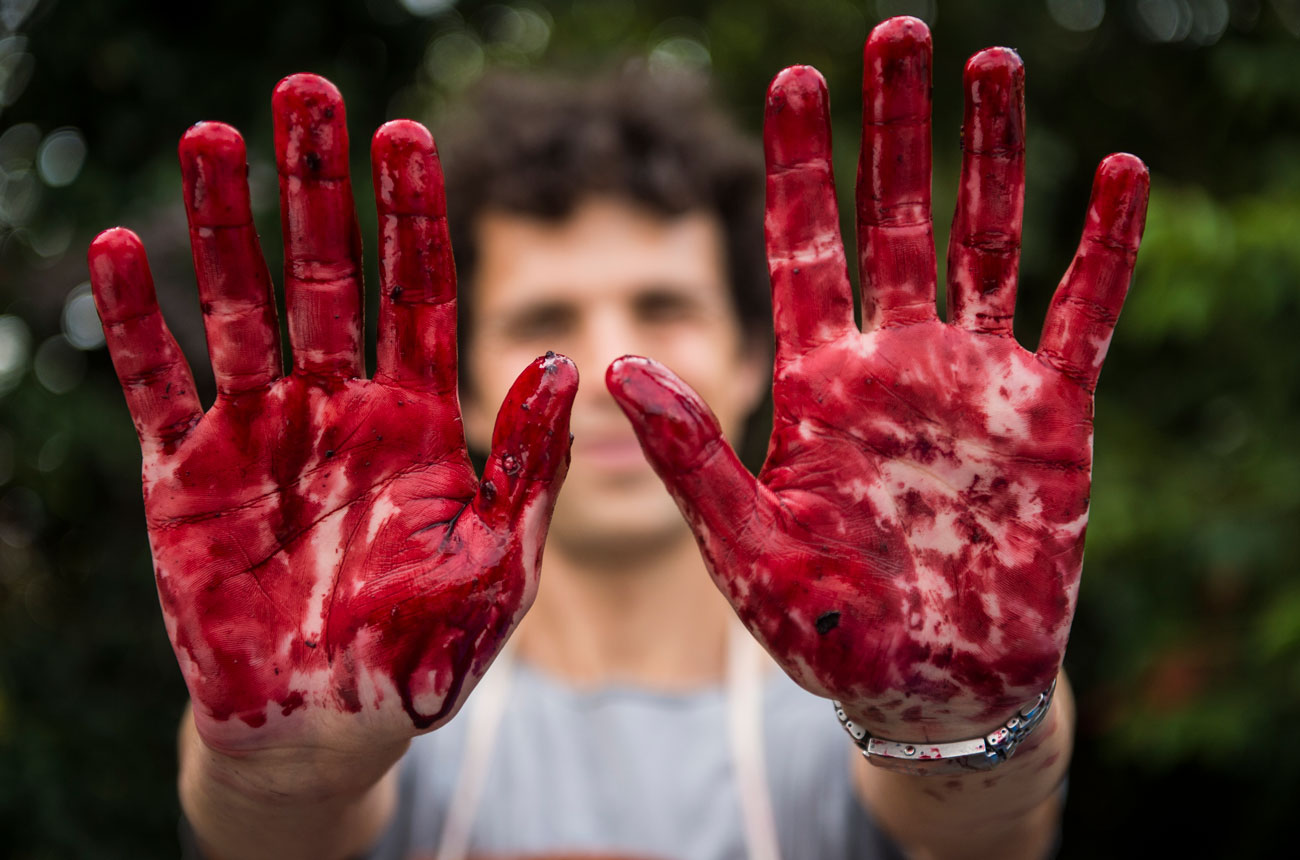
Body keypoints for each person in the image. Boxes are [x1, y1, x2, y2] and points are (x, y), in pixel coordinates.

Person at [87, 16, 1148, 860]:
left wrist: (946, 723)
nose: (607, 365)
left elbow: (981, 830)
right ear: (454, 387)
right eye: (543, 322)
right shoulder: (381, 699)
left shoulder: (846, 703)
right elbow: (271, 830)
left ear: (752, 356)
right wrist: (279, 769)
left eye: (661, 305)